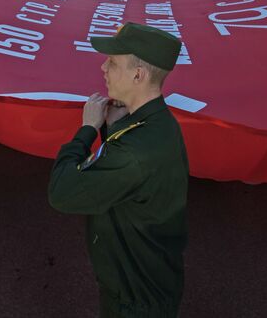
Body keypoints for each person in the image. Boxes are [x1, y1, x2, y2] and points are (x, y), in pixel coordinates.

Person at [48, 23, 189, 318]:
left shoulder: (135, 152)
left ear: (138, 75)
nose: (103, 67)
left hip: (135, 302)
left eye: (113, 62)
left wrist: (87, 130)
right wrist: (112, 127)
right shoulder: (156, 124)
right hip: (148, 285)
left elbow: (61, 193)